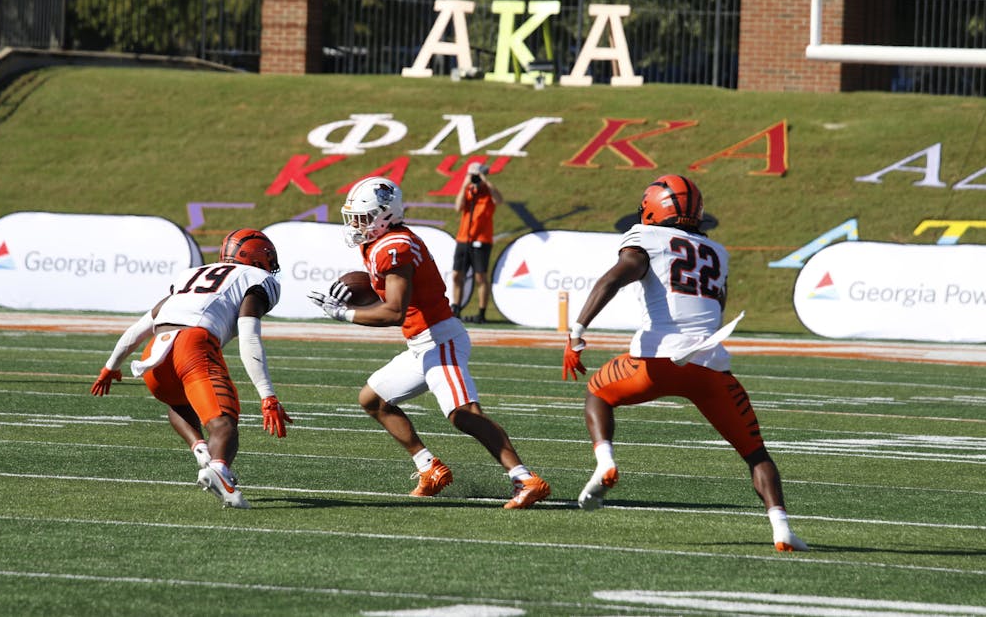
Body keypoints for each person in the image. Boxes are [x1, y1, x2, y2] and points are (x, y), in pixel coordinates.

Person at [562, 175, 808, 552]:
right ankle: (781, 528)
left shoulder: (644, 238)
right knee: (756, 454)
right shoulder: (717, 252)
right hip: (709, 364)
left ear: (652, 208)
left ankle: (604, 462)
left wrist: (577, 330)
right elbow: (716, 305)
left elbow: (613, 279)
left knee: (597, 392)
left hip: (655, 360)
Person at [309, 177, 549, 509]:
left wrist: (344, 314)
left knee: (464, 414)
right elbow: (387, 296)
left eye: (363, 217)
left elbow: (394, 311)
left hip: (440, 339)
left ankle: (525, 479)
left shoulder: (395, 247)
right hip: (422, 343)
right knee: (373, 400)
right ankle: (430, 468)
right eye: (353, 217)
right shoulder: (382, 244)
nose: (355, 224)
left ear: (386, 214)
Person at [90, 228, 293, 509]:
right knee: (223, 423)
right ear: (259, 258)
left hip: (155, 355)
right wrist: (267, 395)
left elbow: (141, 326)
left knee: (178, 399)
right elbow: (249, 336)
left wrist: (111, 366)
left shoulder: (191, 275)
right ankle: (220, 469)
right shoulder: (256, 278)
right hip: (194, 344)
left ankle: (200, 448)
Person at [450, 162, 503, 324]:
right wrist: (465, 185)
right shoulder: (468, 191)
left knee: (481, 276)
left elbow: (499, 200)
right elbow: (458, 207)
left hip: (482, 240)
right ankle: (456, 308)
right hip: (464, 238)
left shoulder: (488, 192)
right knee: (457, 275)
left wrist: (485, 181)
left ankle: (481, 312)